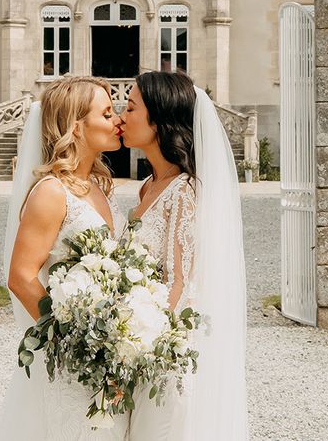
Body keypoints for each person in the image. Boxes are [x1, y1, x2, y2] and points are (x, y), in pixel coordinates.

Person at [0, 76, 128, 441]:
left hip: (110, 349)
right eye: (106, 113)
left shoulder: (100, 186)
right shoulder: (51, 193)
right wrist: (72, 339)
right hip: (76, 353)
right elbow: (20, 277)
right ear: (76, 126)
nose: (118, 119)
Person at [118, 71, 248, 440]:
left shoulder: (184, 191)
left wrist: (135, 345)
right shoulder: (148, 186)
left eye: (130, 107)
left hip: (162, 352)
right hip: (141, 339)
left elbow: (180, 282)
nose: (121, 116)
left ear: (158, 120)